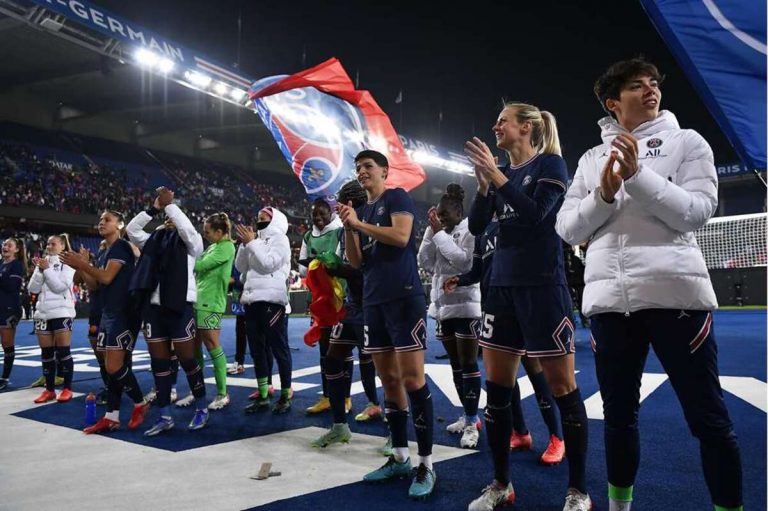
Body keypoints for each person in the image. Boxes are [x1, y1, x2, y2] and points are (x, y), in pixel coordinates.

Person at [556, 57, 743, 511]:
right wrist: (602, 195)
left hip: (675, 294)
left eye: (653, 83)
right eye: (637, 86)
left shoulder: (687, 142)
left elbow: (697, 212)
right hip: (610, 306)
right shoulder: (590, 159)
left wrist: (637, 177)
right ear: (612, 103)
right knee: (619, 418)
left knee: (709, 419)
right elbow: (568, 229)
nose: (651, 90)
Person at [463, 102, 591, 511]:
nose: (495, 126)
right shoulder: (501, 175)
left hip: (542, 288)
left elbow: (538, 215)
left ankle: (578, 491)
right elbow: (477, 226)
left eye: (503, 121)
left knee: (563, 389)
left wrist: (497, 176)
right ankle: (501, 483)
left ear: (527, 127)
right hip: (500, 287)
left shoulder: (552, 164)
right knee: (496, 389)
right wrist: (484, 183)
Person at [337, 150, 436, 499]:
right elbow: (355, 261)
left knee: (412, 379)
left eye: (367, 167)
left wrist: (360, 224)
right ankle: (399, 456)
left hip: (405, 298)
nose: (362, 172)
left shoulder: (397, 196)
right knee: (389, 380)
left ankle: (426, 462)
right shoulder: (361, 211)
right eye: (358, 168)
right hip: (374, 302)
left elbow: (401, 237)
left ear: (384, 171)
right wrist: (350, 227)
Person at [445, 216, 566, 466]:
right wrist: (462, 279)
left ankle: (557, 437)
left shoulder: (522, 218)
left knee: (535, 370)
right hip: (495, 306)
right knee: (502, 378)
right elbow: (479, 270)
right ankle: (520, 432)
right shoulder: (483, 229)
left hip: (524, 301)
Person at [126, 187, 209, 435]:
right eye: (166, 218)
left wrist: (170, 205)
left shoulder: (192, 243)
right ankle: (164, 415)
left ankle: (201, 408)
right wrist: (154, 208)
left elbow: (187, 229)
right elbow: (131, 230)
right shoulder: (155, 240)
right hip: (154, 308)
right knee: (159, 364)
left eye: (173, 217)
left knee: (188, 361)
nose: (169, 221)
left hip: (179, 306)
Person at [61, 211, 150, 434]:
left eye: (107, 220)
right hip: (109, 313)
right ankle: (112, 416)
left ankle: (140, 404)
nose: (101, 222)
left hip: (124, 312)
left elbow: (107, 277)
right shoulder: (105, 252)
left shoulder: (121, 246)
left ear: (120, 225)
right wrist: (82, 266)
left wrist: (83, 264)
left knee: (114, 366)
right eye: (100, 219)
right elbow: (94, 285)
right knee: (112, 368)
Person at [310, 180, 383, 449]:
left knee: (386, 369)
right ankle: (340, 426)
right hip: (352, 307)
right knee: (333, 360)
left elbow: (365, 270)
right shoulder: (344, 231)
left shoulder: (374, 227)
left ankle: (393, 434)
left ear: (353, 204)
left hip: (375, 305)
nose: (337, 209)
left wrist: (336, 268)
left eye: (341, 204)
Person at [417, 183, 482, 449]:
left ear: (458, 212)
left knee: (468, 365)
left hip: (467, 307)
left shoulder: (469, 229)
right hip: (443, 307)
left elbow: (464, 262)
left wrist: (438, 234)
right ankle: (467, 416)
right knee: (455, 366)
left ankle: (472, 422)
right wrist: (429, 233)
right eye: (438, 215)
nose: (441, 219)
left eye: (445, 214)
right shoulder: (438, 231)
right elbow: (426, 261)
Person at [235, 207, 293, 414]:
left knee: (279, 349)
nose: (259, 221)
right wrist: (244, 245)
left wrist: (253, 242)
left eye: (264, 218)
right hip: (251, 301)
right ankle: (263, 396)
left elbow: (269, 264)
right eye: (258, 218)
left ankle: (286, 395)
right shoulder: (255, 240)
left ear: (275, 220)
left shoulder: (281, 239)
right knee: (257, 351)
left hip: (271, 301)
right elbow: (241, 267)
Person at [299, 198, 344, 415]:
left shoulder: (339, 232)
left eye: (321, 214)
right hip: (318, 301)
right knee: (324, 350)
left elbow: (339, 262)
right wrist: (316, 267)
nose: (318, 218)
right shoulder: (308, 236)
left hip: (337, 298)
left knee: (341, 349)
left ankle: (344, 398)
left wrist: (319, 266)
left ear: (331, 213)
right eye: (314, 215)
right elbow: (302, 269)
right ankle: (327, 396)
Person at [193, 212, 236, 411]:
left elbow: (199, 265)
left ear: (220, 232)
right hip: (198, 300)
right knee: (194, 347)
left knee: (212, 344)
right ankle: (198, 390)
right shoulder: (213, 246)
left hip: (211, 303)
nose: (205, 235)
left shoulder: (226, 247)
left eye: (208, 232)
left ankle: (222, 393)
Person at [27, 234, 76, 403]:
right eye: (47, 244)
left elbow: (59, 287)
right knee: (46, 354)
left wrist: (46, 269)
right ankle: (49, 390)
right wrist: (41, 270)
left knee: (63, 352)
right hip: (42, 312)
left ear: (62, 246)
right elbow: (32, 288)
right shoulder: (43, 263)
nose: (49, 246)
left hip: (62, 311)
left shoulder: (68, 262)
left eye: (53, 244)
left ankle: (67, 388)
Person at [0, 238, 27, 391]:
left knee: (7, 344)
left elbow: (12, 286)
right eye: (4, 244)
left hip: (9, 309)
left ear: (16, 250)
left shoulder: (16, 265)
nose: (5, 247)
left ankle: (4, 377)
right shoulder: (0, 264)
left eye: (9, 245)